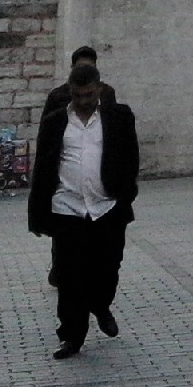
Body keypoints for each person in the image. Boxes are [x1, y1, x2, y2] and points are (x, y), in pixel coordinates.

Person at [28, 63, 139, 360]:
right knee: (69, 277)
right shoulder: (55, 122)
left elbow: (131, 158)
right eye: (77, 96)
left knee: (107, 269)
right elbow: (43, 167)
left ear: (99, 90)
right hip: (68, 209)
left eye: (89, 95)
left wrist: (126, 193)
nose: (84, 102)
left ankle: (101, 305)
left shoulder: (118, 118)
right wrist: (36, 213)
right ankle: (71, 336)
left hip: (107, 207)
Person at [44, 46, 116, 116]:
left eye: (89, 68)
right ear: (73, 68)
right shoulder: (57, 96)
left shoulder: (106, 92)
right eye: (80, 67)